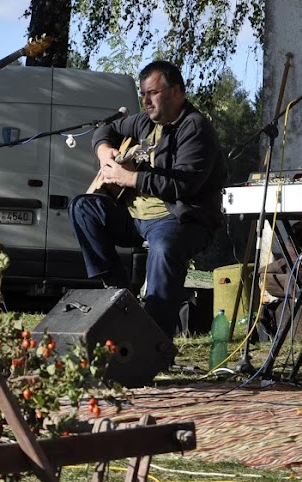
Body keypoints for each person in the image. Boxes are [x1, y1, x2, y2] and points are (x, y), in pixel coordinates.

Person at [69, 60, 227, 340]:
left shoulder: (195, 128)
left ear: (177, 91)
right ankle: (119, 293)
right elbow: (105, 130)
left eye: (152, 93)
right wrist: (104, 152)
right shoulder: (144, 122)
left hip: (179, 219)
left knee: (165, 247)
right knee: (83, 206)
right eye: (143, 94)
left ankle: (153, 339)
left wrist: (130, 179)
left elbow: (184, 183)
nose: (146, 101)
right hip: (134, 217)